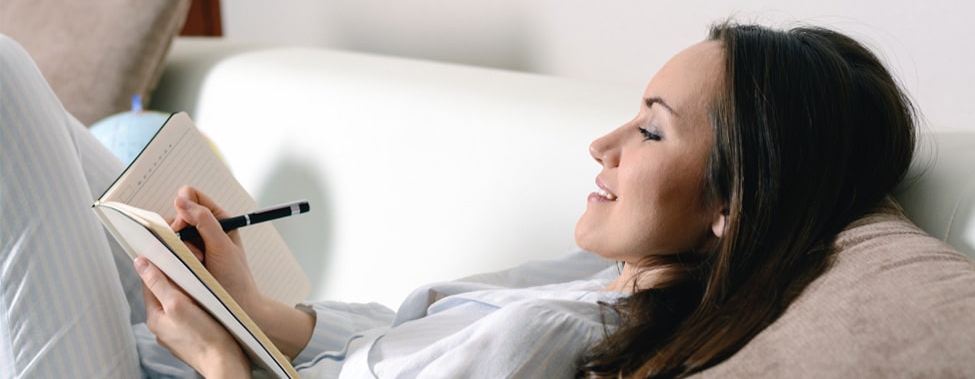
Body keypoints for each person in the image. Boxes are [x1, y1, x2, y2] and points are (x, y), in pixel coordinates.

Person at [0, 20, 920, 378]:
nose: (601, 145)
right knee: (100, 154)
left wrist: (221, 361)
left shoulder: (563, 345)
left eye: (648, 131)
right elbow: (394, 331)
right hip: (201, 358)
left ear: (736, 203)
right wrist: (257, 314)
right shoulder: (597, 280)